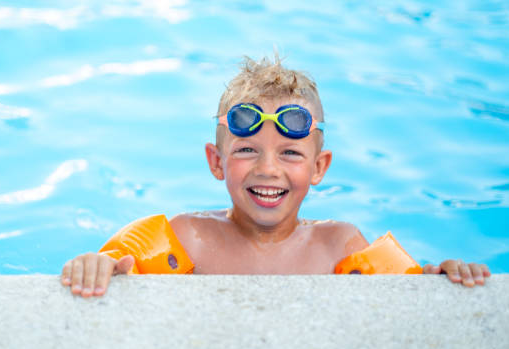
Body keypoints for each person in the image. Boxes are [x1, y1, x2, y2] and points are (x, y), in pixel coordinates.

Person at [61, 55, 491, 297]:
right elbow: (115, 275)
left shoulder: (339, 245)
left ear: (319, 168)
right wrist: (95, 265)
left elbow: (410, 304)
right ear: (216, 162)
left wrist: (446, 280)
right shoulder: (187, 237)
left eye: (290, 153)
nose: (268, 169)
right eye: (247, 150)